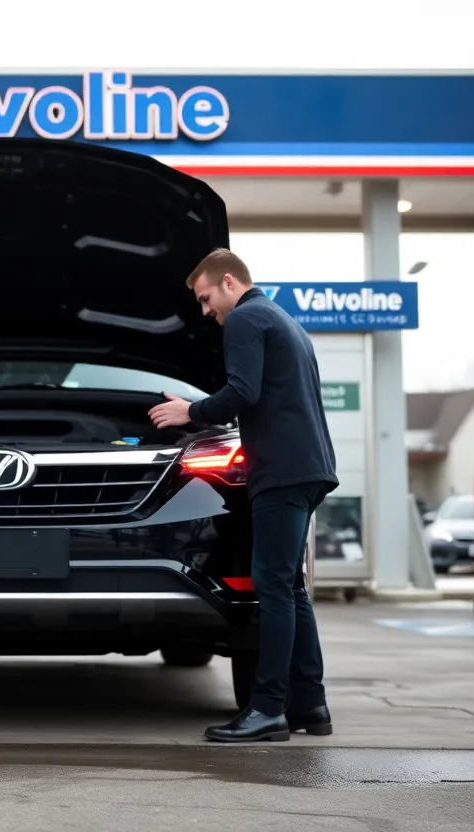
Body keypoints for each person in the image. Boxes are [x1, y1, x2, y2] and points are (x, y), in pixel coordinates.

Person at [149, 248, 338, 743]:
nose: (205, 311)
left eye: (206, 298)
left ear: (229, 282)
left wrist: (191, 412)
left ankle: (268, 709)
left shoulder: (247, 320)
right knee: (290, 588)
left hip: (280, 471)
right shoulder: (285, 321)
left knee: (270, 587)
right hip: (309, 468)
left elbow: (242, 393)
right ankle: (311, 705)